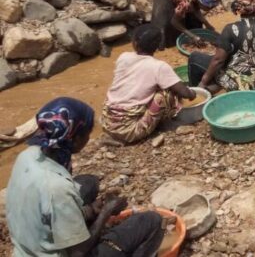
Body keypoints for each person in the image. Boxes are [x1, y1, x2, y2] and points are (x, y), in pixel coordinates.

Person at [7, 98, 164, 256]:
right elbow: (78, 252)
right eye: (87, 134)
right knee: (151, 221)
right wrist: (105, 213)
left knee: (88, 183)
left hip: (26, 247)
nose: (89, 139)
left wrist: (90, 210)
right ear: (74, 139)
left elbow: (48, 207)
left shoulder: (27, 155)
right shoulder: (57, 188)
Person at [103, 24, 195, 144]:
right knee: (165, 94)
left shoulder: (123, 57)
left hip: (107, 123)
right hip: (129, 131)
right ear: (157, 46)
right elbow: (184, 92)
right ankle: (161, 123)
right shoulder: (159, 67)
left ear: (134, 43)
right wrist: (192, 93)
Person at [151, 0, 219, 48]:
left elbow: (196, 9)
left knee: (191, 16)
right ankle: (158, 41)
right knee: (165, 17)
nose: (210, 9)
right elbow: (174, 21)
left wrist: (207, 24)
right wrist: (193, 36)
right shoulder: (186, 1)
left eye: (212, 7)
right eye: (208, 7)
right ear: (200, 2)